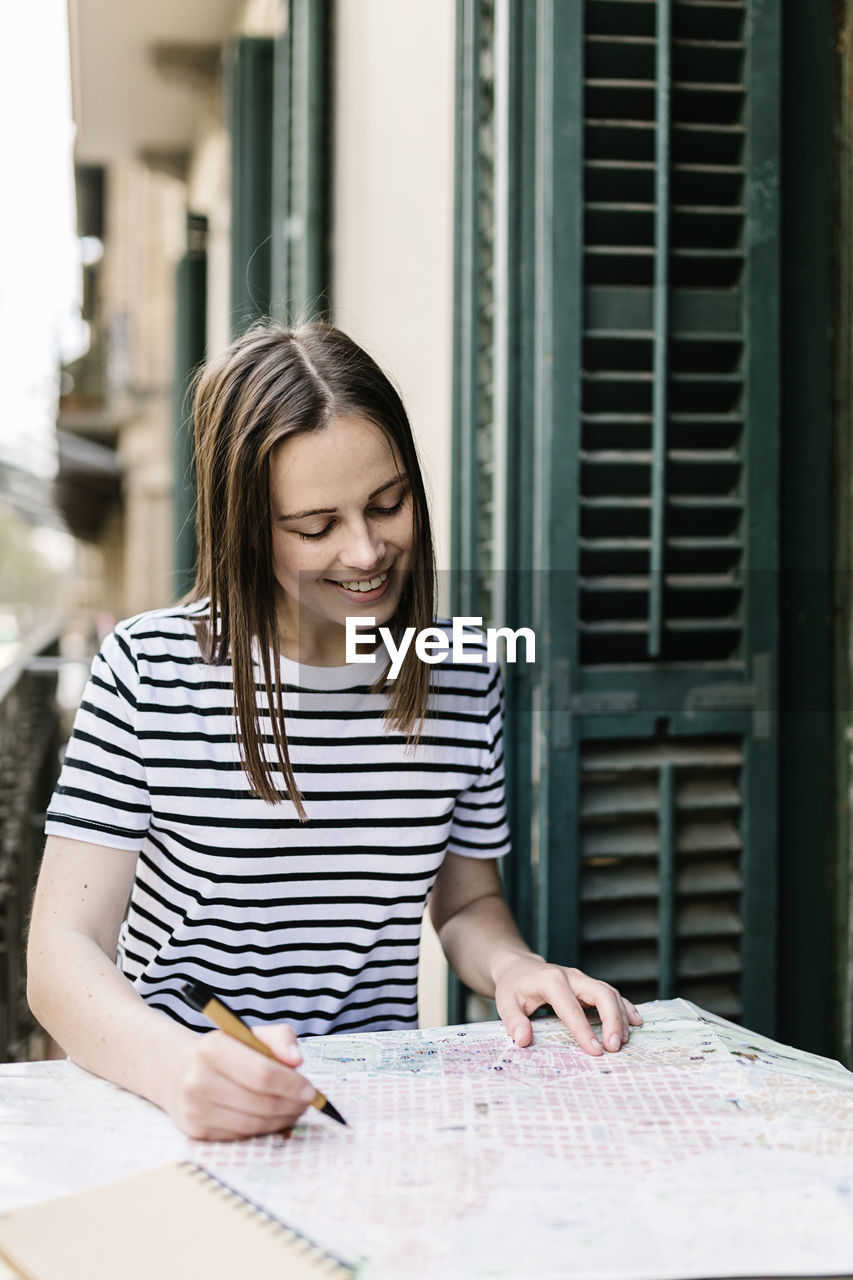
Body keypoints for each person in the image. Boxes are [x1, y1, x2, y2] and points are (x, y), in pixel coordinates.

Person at [27, 321, 642, 1141]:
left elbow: (466, 903)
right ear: (247, 526)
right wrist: (178, 1069)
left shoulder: (460, 671)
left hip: (373, 1110)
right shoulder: (149, 670)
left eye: (387, 504)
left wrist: (513, 965)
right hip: (169, 1099)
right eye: (315, 527)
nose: (365, 550)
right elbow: (62, 953)